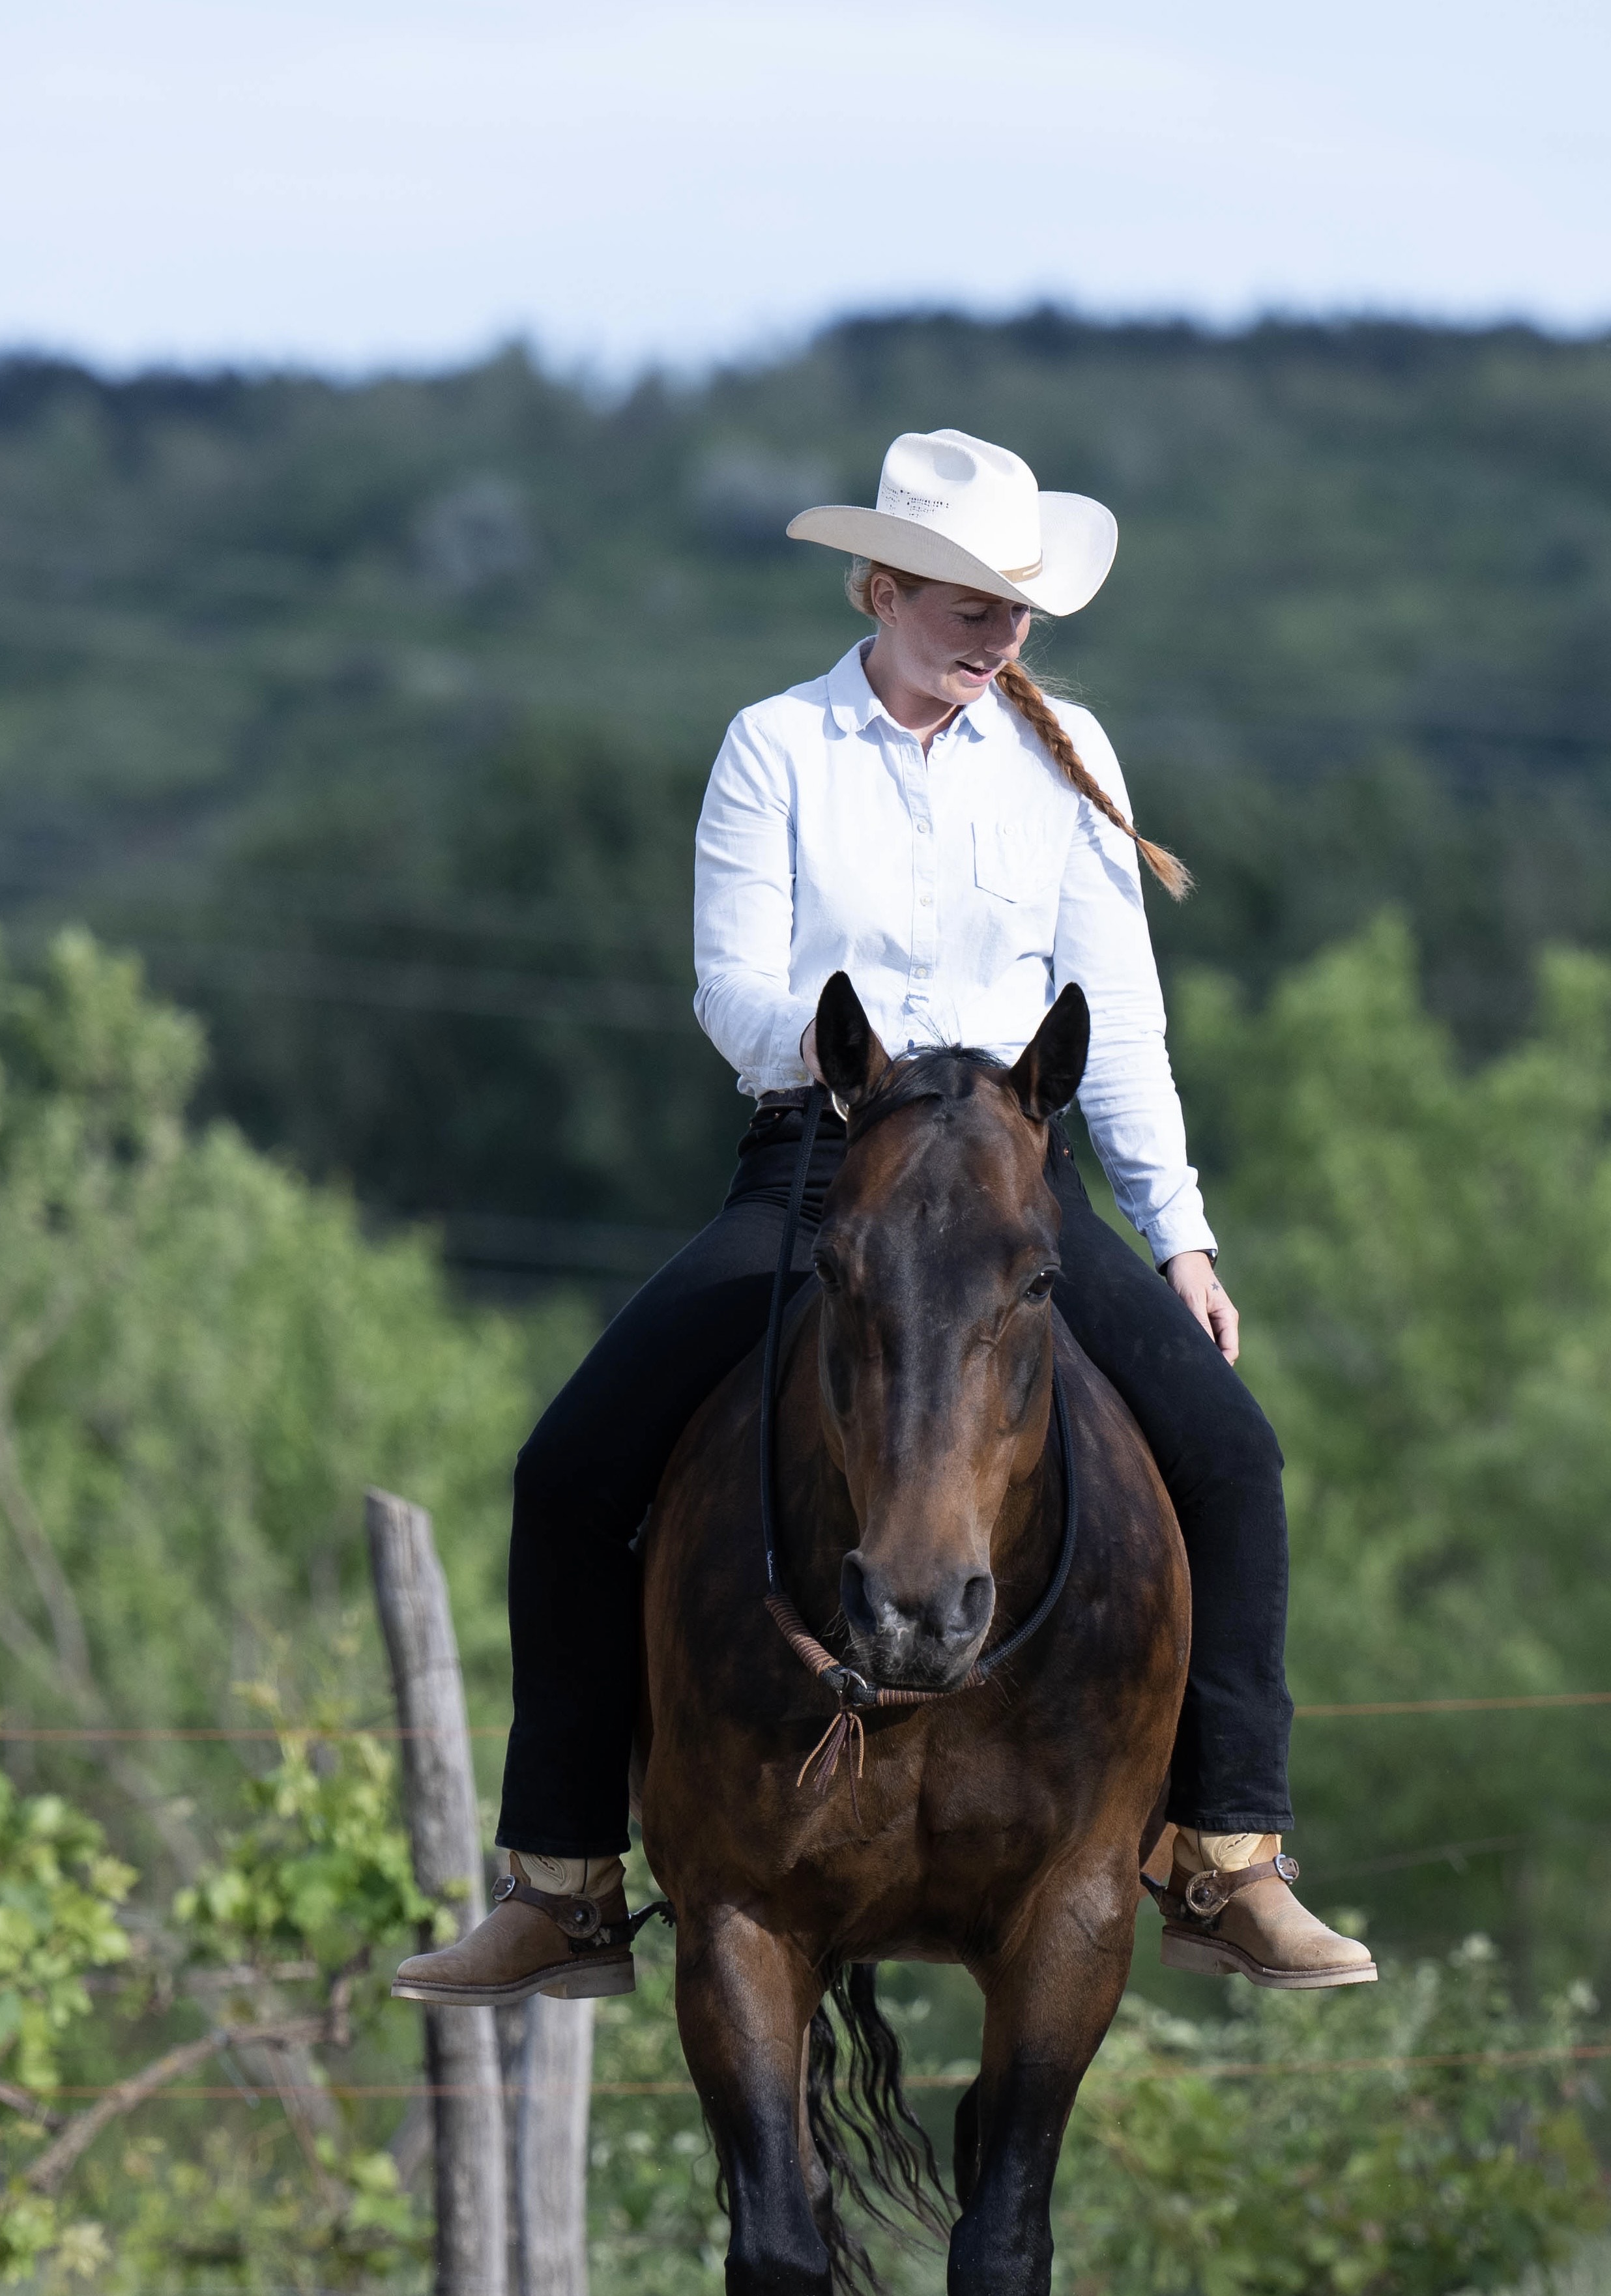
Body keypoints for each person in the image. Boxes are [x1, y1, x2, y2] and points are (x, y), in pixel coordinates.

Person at [392, 428, 1372, 2005]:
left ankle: (1228, 1860)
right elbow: (730, 994)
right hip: (821, 1164)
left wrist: (1180, 1240)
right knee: (569, 1469)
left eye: (1015, 611)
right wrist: (879, 1069)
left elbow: (1115, 1022)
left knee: (1235, 1455)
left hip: (1007, 1187)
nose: (999, 637)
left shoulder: (1071, 758)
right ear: (883, 585)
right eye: (968, 605)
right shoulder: (774, 746)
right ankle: (561, 1883)